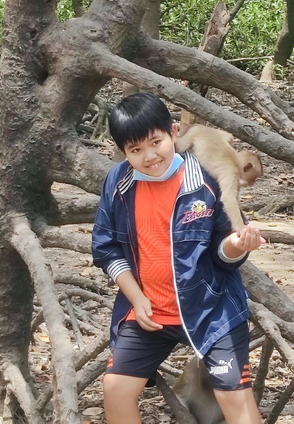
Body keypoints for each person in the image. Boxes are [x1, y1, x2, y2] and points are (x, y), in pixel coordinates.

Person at [91, 93, 266, 424]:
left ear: (172, 133)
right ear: (123, 152)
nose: (149, 156)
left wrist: (238, 245)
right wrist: (136, 297)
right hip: (149, 311)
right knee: (115, 388)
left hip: (212, 310)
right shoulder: (118, 182)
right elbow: (106, 248)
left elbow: (224, 253)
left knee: (235, 398)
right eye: (135, 150)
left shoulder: (207, 179)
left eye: (155, 142)